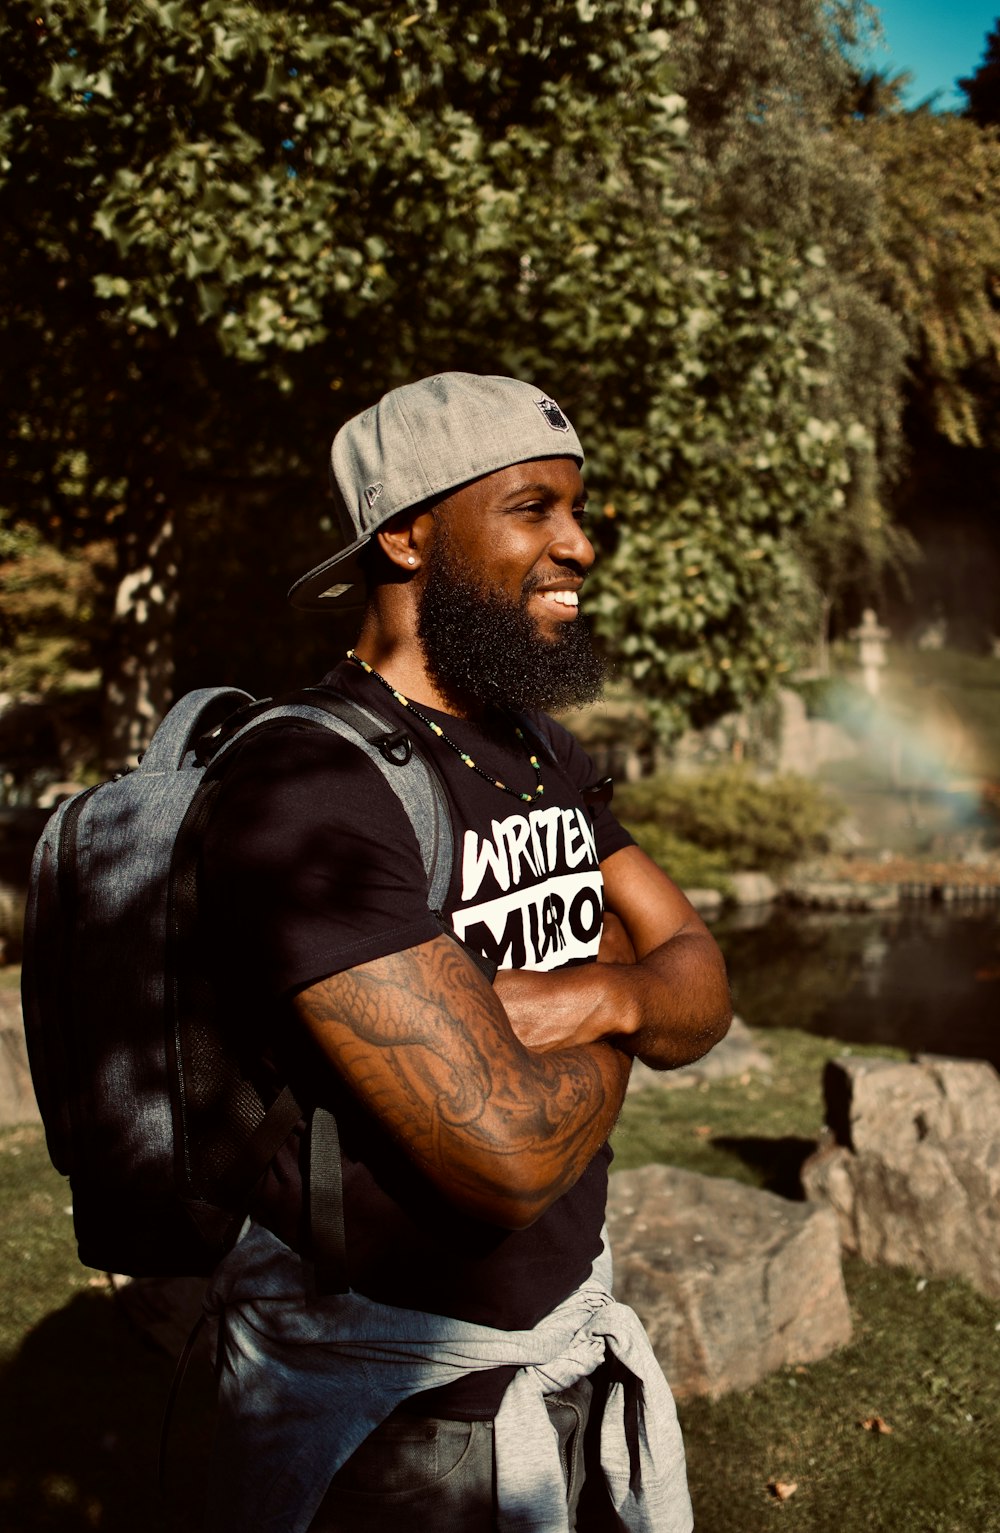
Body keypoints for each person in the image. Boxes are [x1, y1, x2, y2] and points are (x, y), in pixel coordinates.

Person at [199, 372, 732, 1533]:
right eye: (534, 508)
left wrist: (589, 993)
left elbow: (702, 977)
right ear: (405, 531)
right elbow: (507, 1163)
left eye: (577, 511)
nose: (580, 545)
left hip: (564, 1335)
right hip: (384, 1400)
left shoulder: (536, 747)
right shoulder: (309, 791)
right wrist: (632, 992)